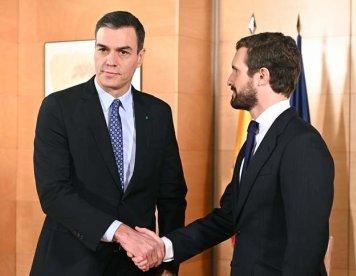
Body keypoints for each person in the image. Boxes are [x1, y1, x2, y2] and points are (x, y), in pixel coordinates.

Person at [134, 32, 334, 275]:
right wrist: (164, 247)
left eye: (236, 70)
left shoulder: (302, 145)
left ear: (262, 76)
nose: (229, 79)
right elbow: (227, 218)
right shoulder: (255, 139)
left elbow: (306, 247)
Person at [31, 11, 187, 276]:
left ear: (140, 57)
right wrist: (121, 232)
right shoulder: (58, 108)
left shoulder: (159, 113)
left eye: (123, 52)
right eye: (103, 49)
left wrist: (170, 265)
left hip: (136, 268)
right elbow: (53, 193)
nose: (110, 61)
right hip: (69, 263)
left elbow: (171, 195)